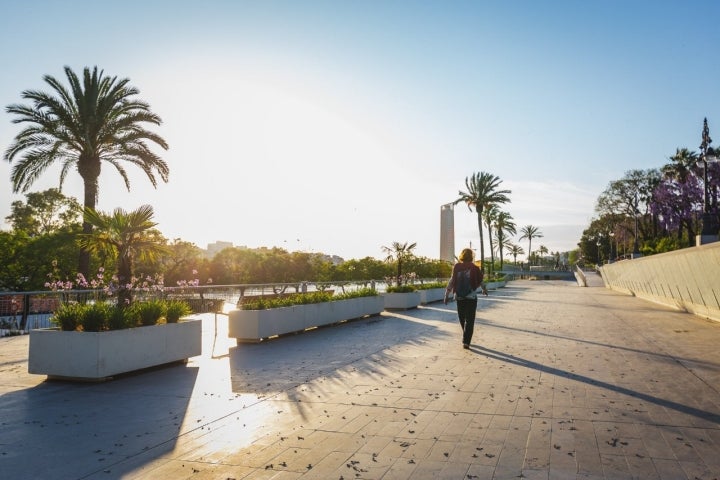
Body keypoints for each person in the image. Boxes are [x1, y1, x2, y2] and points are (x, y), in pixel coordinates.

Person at [444, 248, 484, 349]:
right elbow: (480, 279)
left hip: (459, 297)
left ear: (462, 255)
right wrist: (484, 289)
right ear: (471, 256)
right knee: (470, 320)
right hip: (471, 297)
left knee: (462, 318)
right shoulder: (475, 267)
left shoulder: (457, 266)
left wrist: (446, 294)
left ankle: (466, 338)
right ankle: (466, 341)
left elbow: (452, 280)